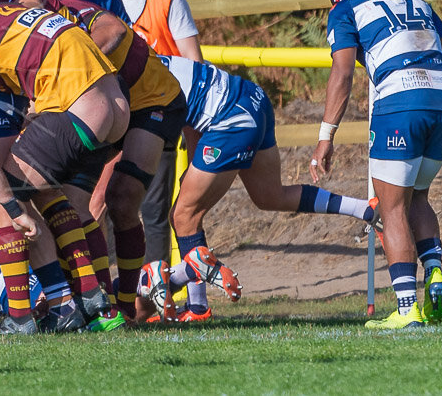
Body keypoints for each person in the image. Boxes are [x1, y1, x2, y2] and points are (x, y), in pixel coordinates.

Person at [140, 54, 376, 320]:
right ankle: (365, 210)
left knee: (183, 216)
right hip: (252, 98)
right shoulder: (146, 60)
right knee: (270, 196)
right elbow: (190, 115)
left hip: (230, 117)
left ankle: (197, 307)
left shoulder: (133, 83)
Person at [0, 1, 131, 334]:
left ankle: (20, 318)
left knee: (6, 198)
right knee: (45, 192)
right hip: (116, 107)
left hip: (80, 105)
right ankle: (87, 298)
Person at [310, 0, 442, 330]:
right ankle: (436, 274)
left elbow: (342, 74)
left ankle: (407, 308)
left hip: (400, 101)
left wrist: (326, 137)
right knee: (418, 197)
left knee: (391, 207)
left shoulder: (344, 9)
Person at [100, 0, 200, 288]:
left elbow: (193, 62)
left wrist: (193, 127)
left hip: (158, 112)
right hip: (111, 113)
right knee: (103, 205)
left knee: (154, 211)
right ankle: (113, 292)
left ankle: (155, 296)